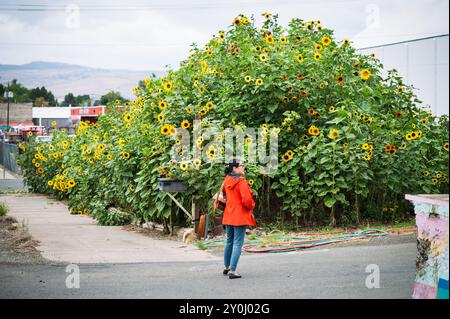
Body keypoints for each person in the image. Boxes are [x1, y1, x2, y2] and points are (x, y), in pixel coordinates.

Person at [221, 160, 256, 279]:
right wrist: (252, 206)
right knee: (237, 243)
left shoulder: (227, 180)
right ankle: (233, 270)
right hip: (239, 215)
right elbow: (246, 200)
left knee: (229, 241)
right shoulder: (241, 181)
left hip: (228, 214)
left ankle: (226, 267)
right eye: (241, 166)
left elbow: (224, 195)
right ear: (235, 169)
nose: (243, 167)